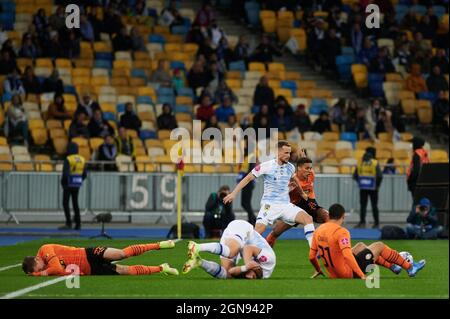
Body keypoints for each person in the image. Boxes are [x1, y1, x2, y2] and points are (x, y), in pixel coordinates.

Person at [223, 141, 316, 248]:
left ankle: (313, 249)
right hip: (269, 205)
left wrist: (302, 193)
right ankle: (237, 251)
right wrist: (234, 193)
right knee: (258, 231)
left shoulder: (290, 167)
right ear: (278, 152)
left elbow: (295, 180)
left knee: (308, 219)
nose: (288, 156)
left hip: (285, 205)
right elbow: (248, 178)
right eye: (285, 153)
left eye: (289, 153)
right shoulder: (266, 166)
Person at [309, 204, 426, 279]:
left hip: (334, 274)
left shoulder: (318, 230)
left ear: (329, 216)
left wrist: (319, 270)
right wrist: (361, 274)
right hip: (348, 274)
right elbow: (347, 255)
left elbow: (311, 257)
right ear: (343, 216)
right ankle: (410, 268)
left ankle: (393, 267)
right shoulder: (341, 231)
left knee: (360, 246)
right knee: (379, 246)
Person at [265, 156, 330, 247]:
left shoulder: (311, 174)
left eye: (310, 168)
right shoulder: (289, 180)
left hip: (309, 203)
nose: (309, 170)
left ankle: (328, 244)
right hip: (294, 207)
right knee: (275, 233)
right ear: (298, 168)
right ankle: (263, 255)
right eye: (307, 168)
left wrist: (304, 158)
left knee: (327, 216)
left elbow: (309, 193)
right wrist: (288, 190)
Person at [22, 241, 178, 276]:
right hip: (92, 270)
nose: (43, 268)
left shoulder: (45, 250)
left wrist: (39, 274)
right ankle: (162, 268)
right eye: (40, 270)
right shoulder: (43, 262)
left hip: (88, 254)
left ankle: (159, 245)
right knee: (125, 271)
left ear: (37, 260)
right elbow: (63, 271)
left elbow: (56, 268)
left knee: (122, 254)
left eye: (40, 267)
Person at [182, 220, 275, 279]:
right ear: (257, 268)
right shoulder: (268, 261)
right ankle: (197, 247)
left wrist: (245, 268)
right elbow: (248, 248)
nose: (249, 278)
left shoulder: (257, 275)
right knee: (231, 252)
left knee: (227, 274)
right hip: (243, 230)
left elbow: (232, 271)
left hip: (238, 244)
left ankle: (198, 262)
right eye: (252, 276)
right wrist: (248, 264)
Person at [353, 147, 383, 228]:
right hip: (373, 189)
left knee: (363, 205)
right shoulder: (375, 163)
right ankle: (376, 223)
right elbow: (380, 176)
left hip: (363, 188)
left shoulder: (360, 163)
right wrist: (377, 186)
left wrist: (360, 183)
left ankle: (362, 222)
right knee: (374, 205)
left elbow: (355, 175)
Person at [60, 143, 87, 230]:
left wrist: (63, 182)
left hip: (68, 184)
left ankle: (68, 223)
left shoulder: (69, 159)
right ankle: (78, 224)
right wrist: (79, 180)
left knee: (65, 203)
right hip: (76, 184)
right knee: (75, 203)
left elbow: (65, 173)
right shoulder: (82, 159)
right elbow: (85, 174)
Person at [238, 140, 257, 225]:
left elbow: (251, 170)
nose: (244, 147)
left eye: (246, 146)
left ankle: (253, 219)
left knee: (245, 203)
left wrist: (242, 176)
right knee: (245, 203)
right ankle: (252, 219)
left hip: (248, 182)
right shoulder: (246, 156)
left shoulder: (252, 156)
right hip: (245, 182)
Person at [406, 136, 429, 201]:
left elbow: (416, 169)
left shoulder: (417, 154)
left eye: (412, 144)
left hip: (416, 182)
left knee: (416, 203)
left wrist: (410, 180)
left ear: (415, 144)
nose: (412, 146)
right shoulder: (424, 153)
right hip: (424, 180)